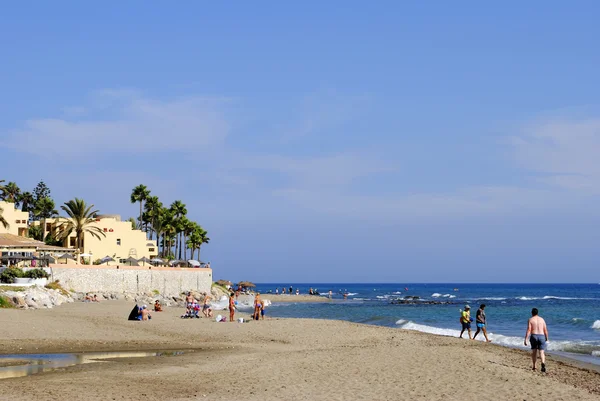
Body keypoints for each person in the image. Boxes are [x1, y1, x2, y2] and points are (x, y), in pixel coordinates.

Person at [525, 308, 549, 372]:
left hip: (534, 336)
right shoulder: (542, 319)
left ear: (532, 313)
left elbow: (529, 330)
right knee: (541, 352)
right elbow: (545, 330)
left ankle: (534, 366)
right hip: (541, 336)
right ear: (537, 313)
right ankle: (543, 363)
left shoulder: (530, 319)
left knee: (534, 352)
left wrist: (526, 339)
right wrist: (547, 338)